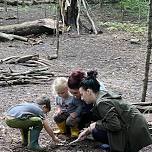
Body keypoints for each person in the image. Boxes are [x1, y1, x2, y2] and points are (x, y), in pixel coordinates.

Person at [77, 70, 152, 152]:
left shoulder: (102, 103)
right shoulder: (102, 94)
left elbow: (115, 125)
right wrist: (88, 130)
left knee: (97, 131)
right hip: (137, 126)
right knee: (97, 129)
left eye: (82, 94)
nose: (81, 98)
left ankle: (123, 147)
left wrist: (96, 124)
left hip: (133, 131)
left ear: (88, 91)